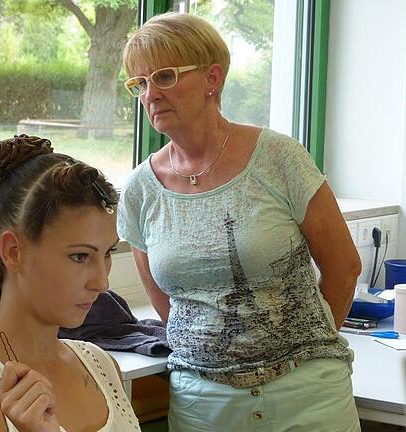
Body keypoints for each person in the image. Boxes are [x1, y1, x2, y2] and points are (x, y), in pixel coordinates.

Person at [118, 12, 363, 432]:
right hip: (202, 404)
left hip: (307, 394)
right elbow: (165, 302)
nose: (150, 93)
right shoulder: (141, 190)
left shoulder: (279, 158)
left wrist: (298, 352)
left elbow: (345, 267)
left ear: (213, 78)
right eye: (139, 83)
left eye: (165, 76)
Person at [0, 135, 141, 432]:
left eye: (108, 253)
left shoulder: (102, 366)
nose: (102, 282)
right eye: (79, 256)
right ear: (14, 252)